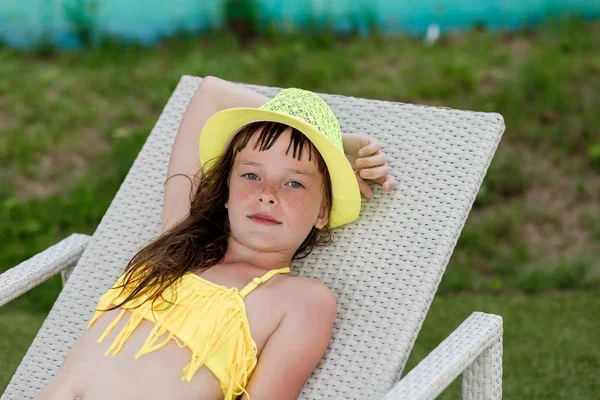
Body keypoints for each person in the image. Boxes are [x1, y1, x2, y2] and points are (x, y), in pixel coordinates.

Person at [34, 76, 395, 400]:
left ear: (322, 211)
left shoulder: (300, 301)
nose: (268, 193)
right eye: (252, 175)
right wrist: (330, 141)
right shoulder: (178, 243)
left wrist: (325, 145)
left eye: (294, 182)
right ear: (224, 191)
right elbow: (210, 92)